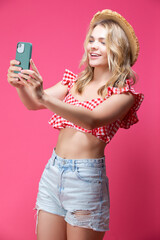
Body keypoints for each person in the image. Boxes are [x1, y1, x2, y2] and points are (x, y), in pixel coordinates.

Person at [7, 9, 144, 240]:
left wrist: (43, 97)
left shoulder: (123, 95)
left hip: (86, 180)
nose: (93, 46)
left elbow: (92, 119)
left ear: (118, 49)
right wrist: (21, 86)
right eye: (91, 39)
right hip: (53, 172)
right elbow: (33, 104)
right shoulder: (75, 81)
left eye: (103, 41)